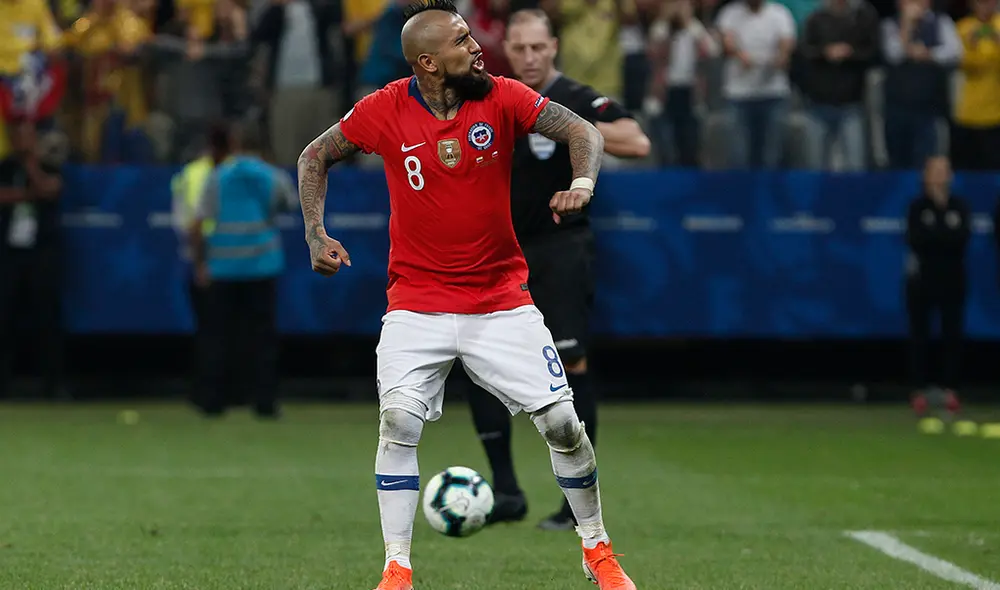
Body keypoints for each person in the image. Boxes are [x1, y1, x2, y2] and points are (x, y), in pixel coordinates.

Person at [295, 2, 636, 589]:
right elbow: (313, 156)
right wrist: (315, 232)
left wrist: (582, 183)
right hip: (416, 302)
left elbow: (581, 130)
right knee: (398, 422)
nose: (477, 44)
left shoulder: (501, 96)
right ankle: (396, 568)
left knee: (562, 424)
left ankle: (597, 550)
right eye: (460, 39)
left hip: (501, 298)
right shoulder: (384, 109)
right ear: (428, 62)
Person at [470, 7, 650, 532]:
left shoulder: (573, 98)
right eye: (519, 48)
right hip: (501, 251)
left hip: (561, 248)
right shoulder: (494, 96)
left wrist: (574, 130)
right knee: (477, 366)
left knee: (570, 367)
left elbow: (637, 141)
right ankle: (506, 491)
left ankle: (575, 507)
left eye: (537, 48)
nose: (528, 57)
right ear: (507, 47)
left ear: (554, 47)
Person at [190, 122, 296, 419]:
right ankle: (265, 402)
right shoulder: (272, 176)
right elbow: (287, 204)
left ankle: (212, 401)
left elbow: (198, 223)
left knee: (217, 336)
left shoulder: (218, 176)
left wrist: (200, 263)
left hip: (222, 266)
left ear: (236, 144)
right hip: (262, 265)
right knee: (262, 338)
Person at [0, 118, 66, 400]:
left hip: (42, 254)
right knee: (4, 319)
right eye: (18, 136)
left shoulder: (49, 165)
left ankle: (53, 385)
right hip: (9, 253)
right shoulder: (4, 167)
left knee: (47, 318)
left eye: (27, 136)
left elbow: (49, 189)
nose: (22, 141)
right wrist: (28, 195)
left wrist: (31, 163)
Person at [905, 156, 969, 416]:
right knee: (920, 336)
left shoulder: (959, 206)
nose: (940, 176)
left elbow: (961, 240)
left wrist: (938, 233)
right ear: (926, 175)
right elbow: (916, 240)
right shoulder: (917, 207)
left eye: (945, 171)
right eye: (935, 171)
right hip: (922, 281)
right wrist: (942, 235)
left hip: (953, 280)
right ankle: (919, 390)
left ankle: (950, 390)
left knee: (952, 336)